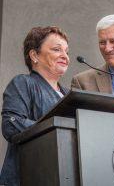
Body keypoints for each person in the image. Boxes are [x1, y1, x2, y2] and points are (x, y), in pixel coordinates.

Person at [0, 26, 70, 186]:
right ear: (34, 55)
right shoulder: (23, 83)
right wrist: (56, 130)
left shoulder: (69, 95)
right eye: (57, 49)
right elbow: (11, 124)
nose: (65, 56)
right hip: (26, 178)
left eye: (67, 51)